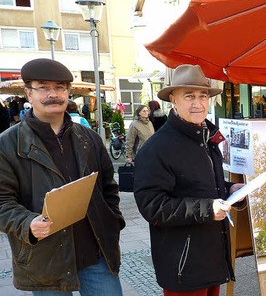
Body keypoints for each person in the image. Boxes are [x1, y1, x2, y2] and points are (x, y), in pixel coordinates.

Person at [0, 58, 125, 295]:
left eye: (59, 87)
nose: (53, 94)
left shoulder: (89, 138)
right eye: (43, 87)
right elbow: (2, 202)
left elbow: (109, 187)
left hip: (95, 251)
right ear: (29, 92)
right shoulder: (7, 145)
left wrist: (113, 221)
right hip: (46, 258)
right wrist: (27, 223)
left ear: (68, 92)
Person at [133, 64, 245, 296]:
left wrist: (230, 189)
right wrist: (206, 209)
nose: (198, 103)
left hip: (212, 257)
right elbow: (152, 206)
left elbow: (203, 187)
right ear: (173, 99)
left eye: (203, 96)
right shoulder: (157, 148)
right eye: (189, 96)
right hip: (183, 265)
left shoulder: (205, 137)